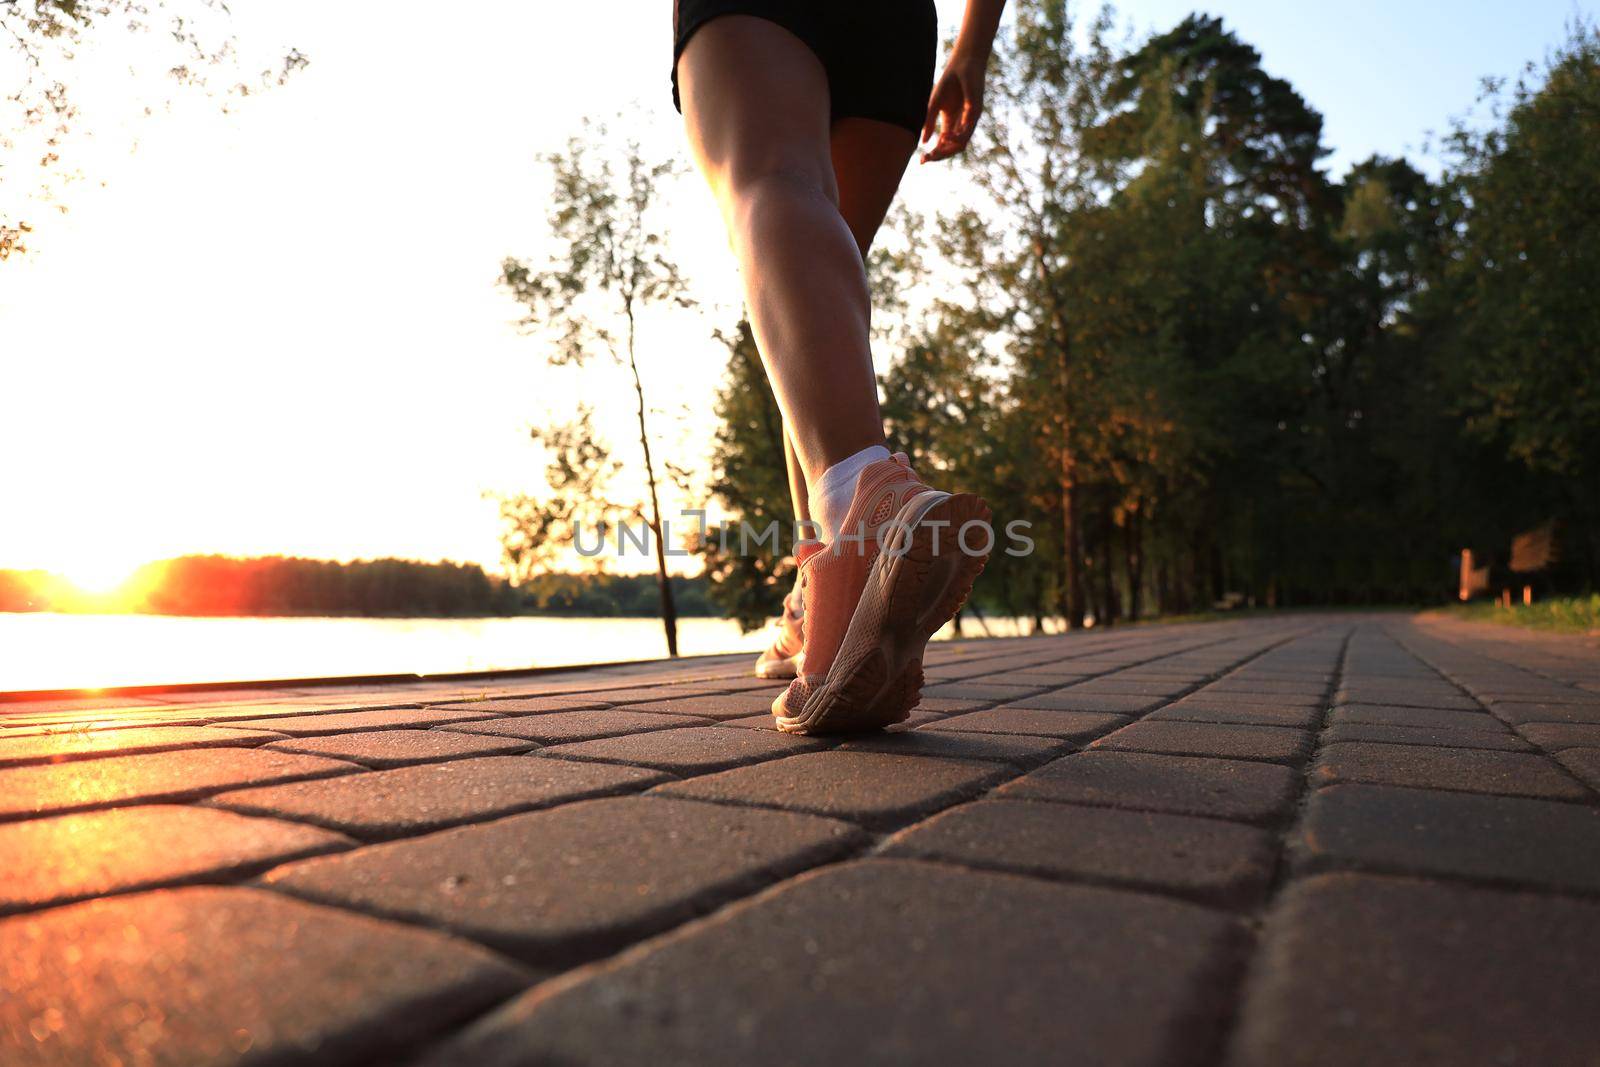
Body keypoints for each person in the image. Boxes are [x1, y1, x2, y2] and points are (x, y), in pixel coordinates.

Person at [673, 0, 1006, 734]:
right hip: (895, 28)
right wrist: (972, 49)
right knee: (819, 323)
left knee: (770, 180)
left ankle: (867, 496)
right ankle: (817, 591)